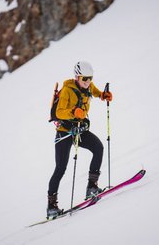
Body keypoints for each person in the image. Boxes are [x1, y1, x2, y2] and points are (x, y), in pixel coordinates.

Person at [47, 61, 113, 218]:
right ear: (77, 76)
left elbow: (96, 93)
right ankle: (51, 206)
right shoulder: (67, 91)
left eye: (90, 78)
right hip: (64, 133)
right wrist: (74, 112)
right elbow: (59, 112)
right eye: (84, 78)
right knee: (61, 168)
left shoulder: (89, 86)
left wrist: (103, 96)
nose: (88, 82)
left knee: (98, 148)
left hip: (79, 129)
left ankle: (92, 187)